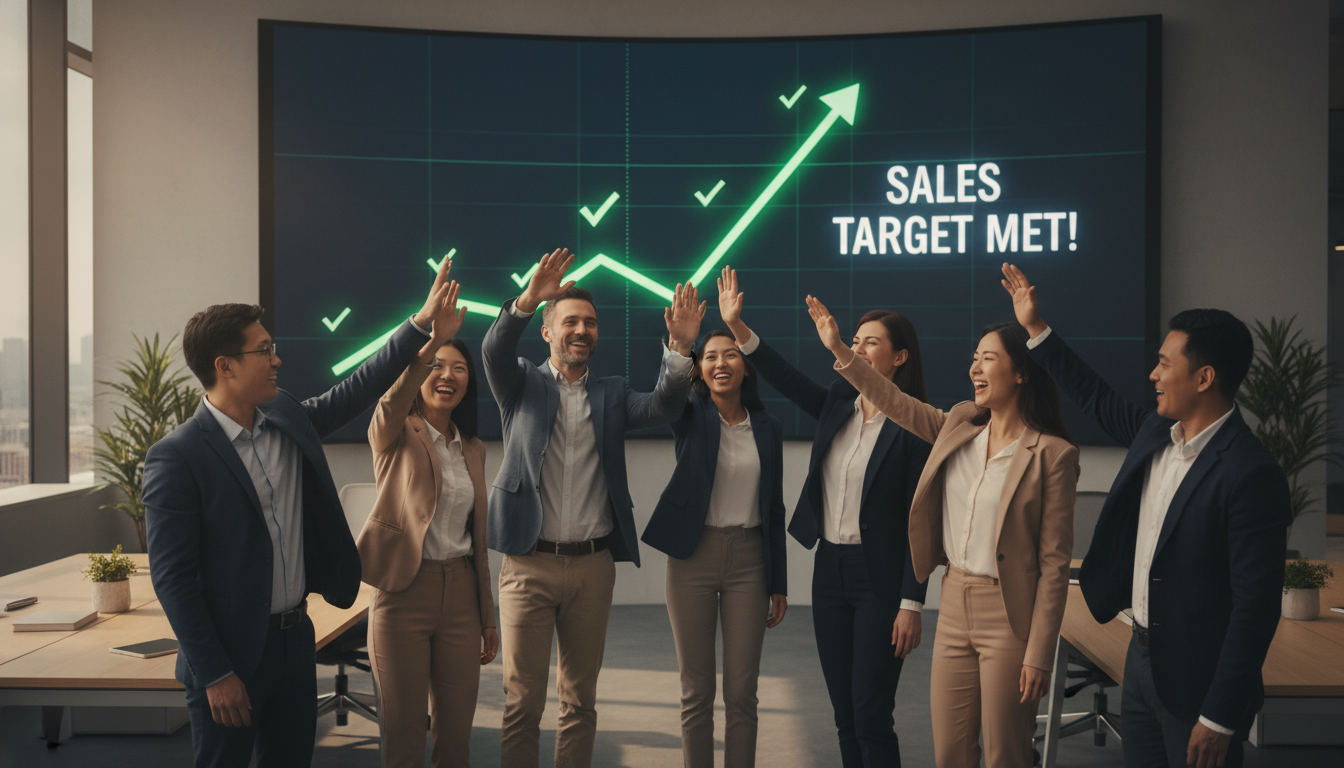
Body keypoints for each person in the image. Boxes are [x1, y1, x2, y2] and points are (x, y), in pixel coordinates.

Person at [143, 261, 459, 768]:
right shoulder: (177, 456)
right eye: (264, 350)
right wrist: (215, 673)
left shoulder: (286, 416)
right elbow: (173, 578)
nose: (277, 360)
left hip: (293, 642)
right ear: (224, 365)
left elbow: (357, 388)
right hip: (230, 656)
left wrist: (419, 323)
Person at [1001, 263, 1292, 768]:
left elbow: (1256, 608)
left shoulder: (1250, 473)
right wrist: (1034, 329)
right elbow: (1092, 394)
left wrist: (1220, 717)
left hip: (1200, 684)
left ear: (1204, 378)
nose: (1153, 375)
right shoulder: (1155, 433)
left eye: (1164, 364)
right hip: (1138, 664)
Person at [805, 293, 1078, 768]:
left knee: (1005, 754)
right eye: (973, 358)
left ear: (1021, 372)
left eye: (987, 358)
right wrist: (842, 353)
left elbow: (1054, 565)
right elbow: (892, 399)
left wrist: (1040, 653)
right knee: (950, 753)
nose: (975, 367)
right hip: (954, 603)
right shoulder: (958, 424)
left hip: (1008, 612)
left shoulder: (1052, 453)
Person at [481, 248, 704, 768]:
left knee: (580, 702)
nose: (582, 330)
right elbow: (493, 347)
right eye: (570, 322)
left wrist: (680, 349)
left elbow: (665, 405)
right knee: (522, 702)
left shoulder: (611, 393)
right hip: (528, 564)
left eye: (590, 323)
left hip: (592, 567)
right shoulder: (518, 383)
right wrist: (528, 300)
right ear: (548, 332)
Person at [716, 266, 931, 768]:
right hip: (830, 571)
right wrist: (738, 328)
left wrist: (912, 602)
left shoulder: (918, 423)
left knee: (871, 712)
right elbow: (785, 376)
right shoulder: (838, 402)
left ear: (899, 357)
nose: (856, 349)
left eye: (869, 342)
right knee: (843, 715)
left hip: (881, 580)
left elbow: (923, 522)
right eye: (854, 340)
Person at [355, 280, 500, 768]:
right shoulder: (395, 433)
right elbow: (389, 402)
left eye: (459, 369)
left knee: (457, 738)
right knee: (404, 737)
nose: (448, 375)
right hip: (402, 596)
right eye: (438, 366)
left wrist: (487, 613)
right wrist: (432, 342)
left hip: (460, 592)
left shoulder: (474, 448)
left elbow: (477, 542)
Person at [641, 328, 789, 768]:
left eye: (731, 355)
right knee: (697, 690)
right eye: (710, 357)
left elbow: (774, 507)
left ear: (746, 366)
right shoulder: (689, 414)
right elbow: (666, 394)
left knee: (743, 692)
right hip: (693, 559)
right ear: (699, 370)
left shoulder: (768, 427)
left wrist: (778, 582)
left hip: (750, 561)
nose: (721, 363)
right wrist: (675, 347)